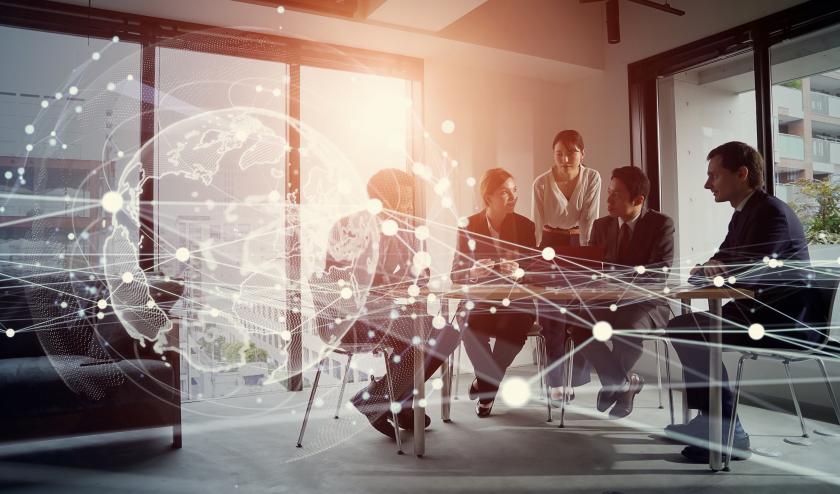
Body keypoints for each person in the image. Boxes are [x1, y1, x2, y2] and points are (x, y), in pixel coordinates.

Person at [665, 141, 822, 462]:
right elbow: (712, 267)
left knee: (689, 329)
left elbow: (746, 274)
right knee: (685, 326)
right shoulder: (743, 215)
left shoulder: (772, 214)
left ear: (741, 173)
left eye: (714, 176)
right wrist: (712, 269)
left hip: (780, 322)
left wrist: (719, 270)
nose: (707, 184)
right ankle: (713, 421)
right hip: (752, 313)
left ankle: (727, 428)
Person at [319, 168, 458, 440]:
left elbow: (417, 276)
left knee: (443, 333)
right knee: (429, 335)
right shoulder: (353, 228)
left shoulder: (401, 230)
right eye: (404, 199)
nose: (409, 206)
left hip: (388, 316)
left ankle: (393, 401)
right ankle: (384, 401)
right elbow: (352, 286)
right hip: (350, 321)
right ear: (386, 198)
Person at [566, 166, 674, 418]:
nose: (608, 200)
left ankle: (615, 383)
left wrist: (613, 279)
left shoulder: (661, 224)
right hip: (609, 301)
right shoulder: (601, 226)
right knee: (579, 323)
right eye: (609, 192)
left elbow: (659, 274)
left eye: (616, 194)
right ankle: (622, 384)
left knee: (629, 325)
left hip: (647, 304)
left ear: (638, 200)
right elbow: (591, 269)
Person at [451, 167, 537, 417]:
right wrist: (473, 271)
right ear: (488, 197)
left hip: (516, 301)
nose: (513, 197)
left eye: (515, 190)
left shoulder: (525, 226)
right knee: (469, 325)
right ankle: (489, 387)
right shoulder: (468, 226)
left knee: (515, 327)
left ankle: (484, 386)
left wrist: (520, 270)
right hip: (479, 301)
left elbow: (536, 271)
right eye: (505, 192)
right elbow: (455, 274)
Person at [533, 130, 600, 404]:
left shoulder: (592, 177)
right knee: (551, 315)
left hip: (580, 246)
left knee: (582, 312)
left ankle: (576, 378)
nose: (565, 158)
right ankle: (556, 382)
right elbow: (539, 226)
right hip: (548, 247)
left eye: (571, 152)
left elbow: (590, 220)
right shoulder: (541, 182)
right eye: (559, 153)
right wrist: (539, 262)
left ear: (582, 153)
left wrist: (586, 259)